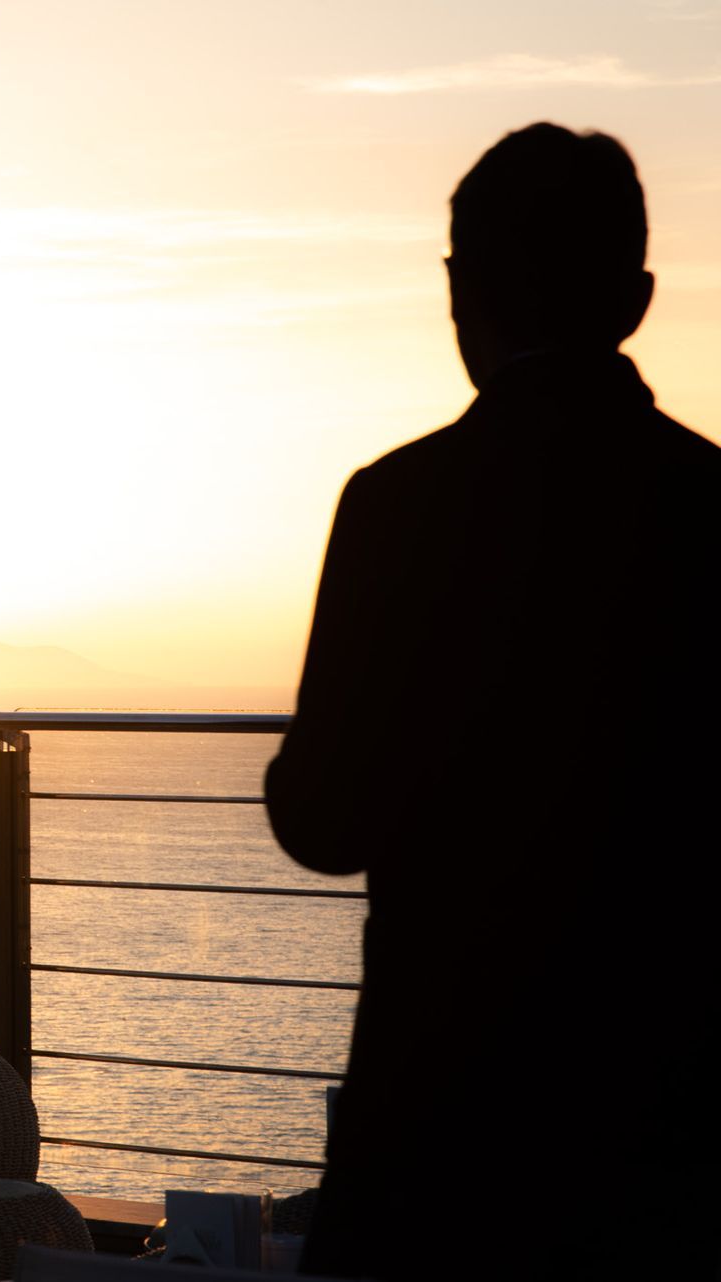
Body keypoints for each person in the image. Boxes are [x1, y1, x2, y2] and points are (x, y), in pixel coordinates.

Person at [265, 124, 720, 1280]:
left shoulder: (398, 504)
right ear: (639, 296)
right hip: (670, 1123)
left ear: (465, 293)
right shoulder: (708, 504)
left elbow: (323, 820)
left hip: (438, 1118)